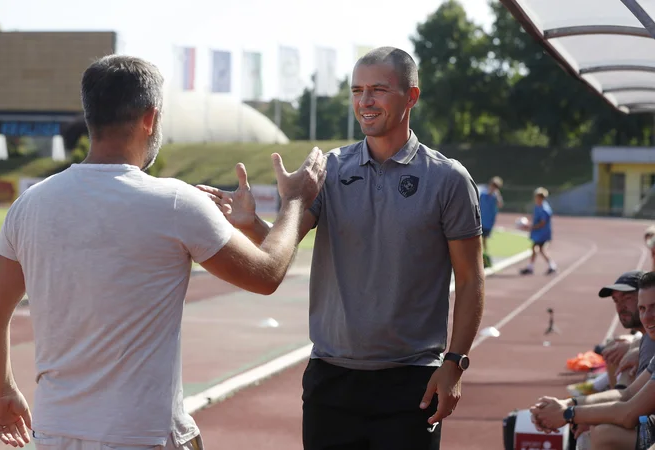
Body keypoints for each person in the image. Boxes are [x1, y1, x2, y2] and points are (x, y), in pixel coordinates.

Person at [0, 55, 327, 450]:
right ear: (150, 118)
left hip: (54, 431)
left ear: (90, 117)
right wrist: (295, 202)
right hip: (143, 435)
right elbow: (266, 276)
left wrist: (3, 391)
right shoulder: (175, 201)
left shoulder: (29, 204)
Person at [198, 46, 485, 450]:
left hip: (412, 380)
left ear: (412, 97)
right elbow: (278, 250)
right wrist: (250, 224)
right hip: (331, 378)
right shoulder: (328, 170)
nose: (365, 102)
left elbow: (471, 279)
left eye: (379, 90)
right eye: (356, 90)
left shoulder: (449, 179)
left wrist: (454, 365)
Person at [529, 271, 655, 450]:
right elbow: (625, 394)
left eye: (626, 298)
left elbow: (629, 413)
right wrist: (569, 404)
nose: (648, 316)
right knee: (601, 431)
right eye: (643, 308)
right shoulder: (644, 341)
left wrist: (568, 414)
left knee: (605, 435)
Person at [519, 187, 557, 275]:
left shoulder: (545, 209)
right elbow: (535, 217)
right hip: (538, 233)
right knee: (536, 249)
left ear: (540, 197)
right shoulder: (537, 206)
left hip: (543, 233)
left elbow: (542, 223)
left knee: (539, 249)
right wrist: (528, 222)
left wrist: (530, 227)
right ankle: (532, 267)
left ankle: (551, 266)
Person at [478, 176, 504, 268]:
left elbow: (500, 205)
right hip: (479, 221)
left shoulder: (495, 197)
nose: (493, 188)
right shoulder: (483, 193)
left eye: (496, 187)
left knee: (484, 241)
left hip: (488, 222)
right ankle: (481, 258)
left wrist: (498, 195)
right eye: (493, 186)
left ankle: (484, 259)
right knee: (478, 240)